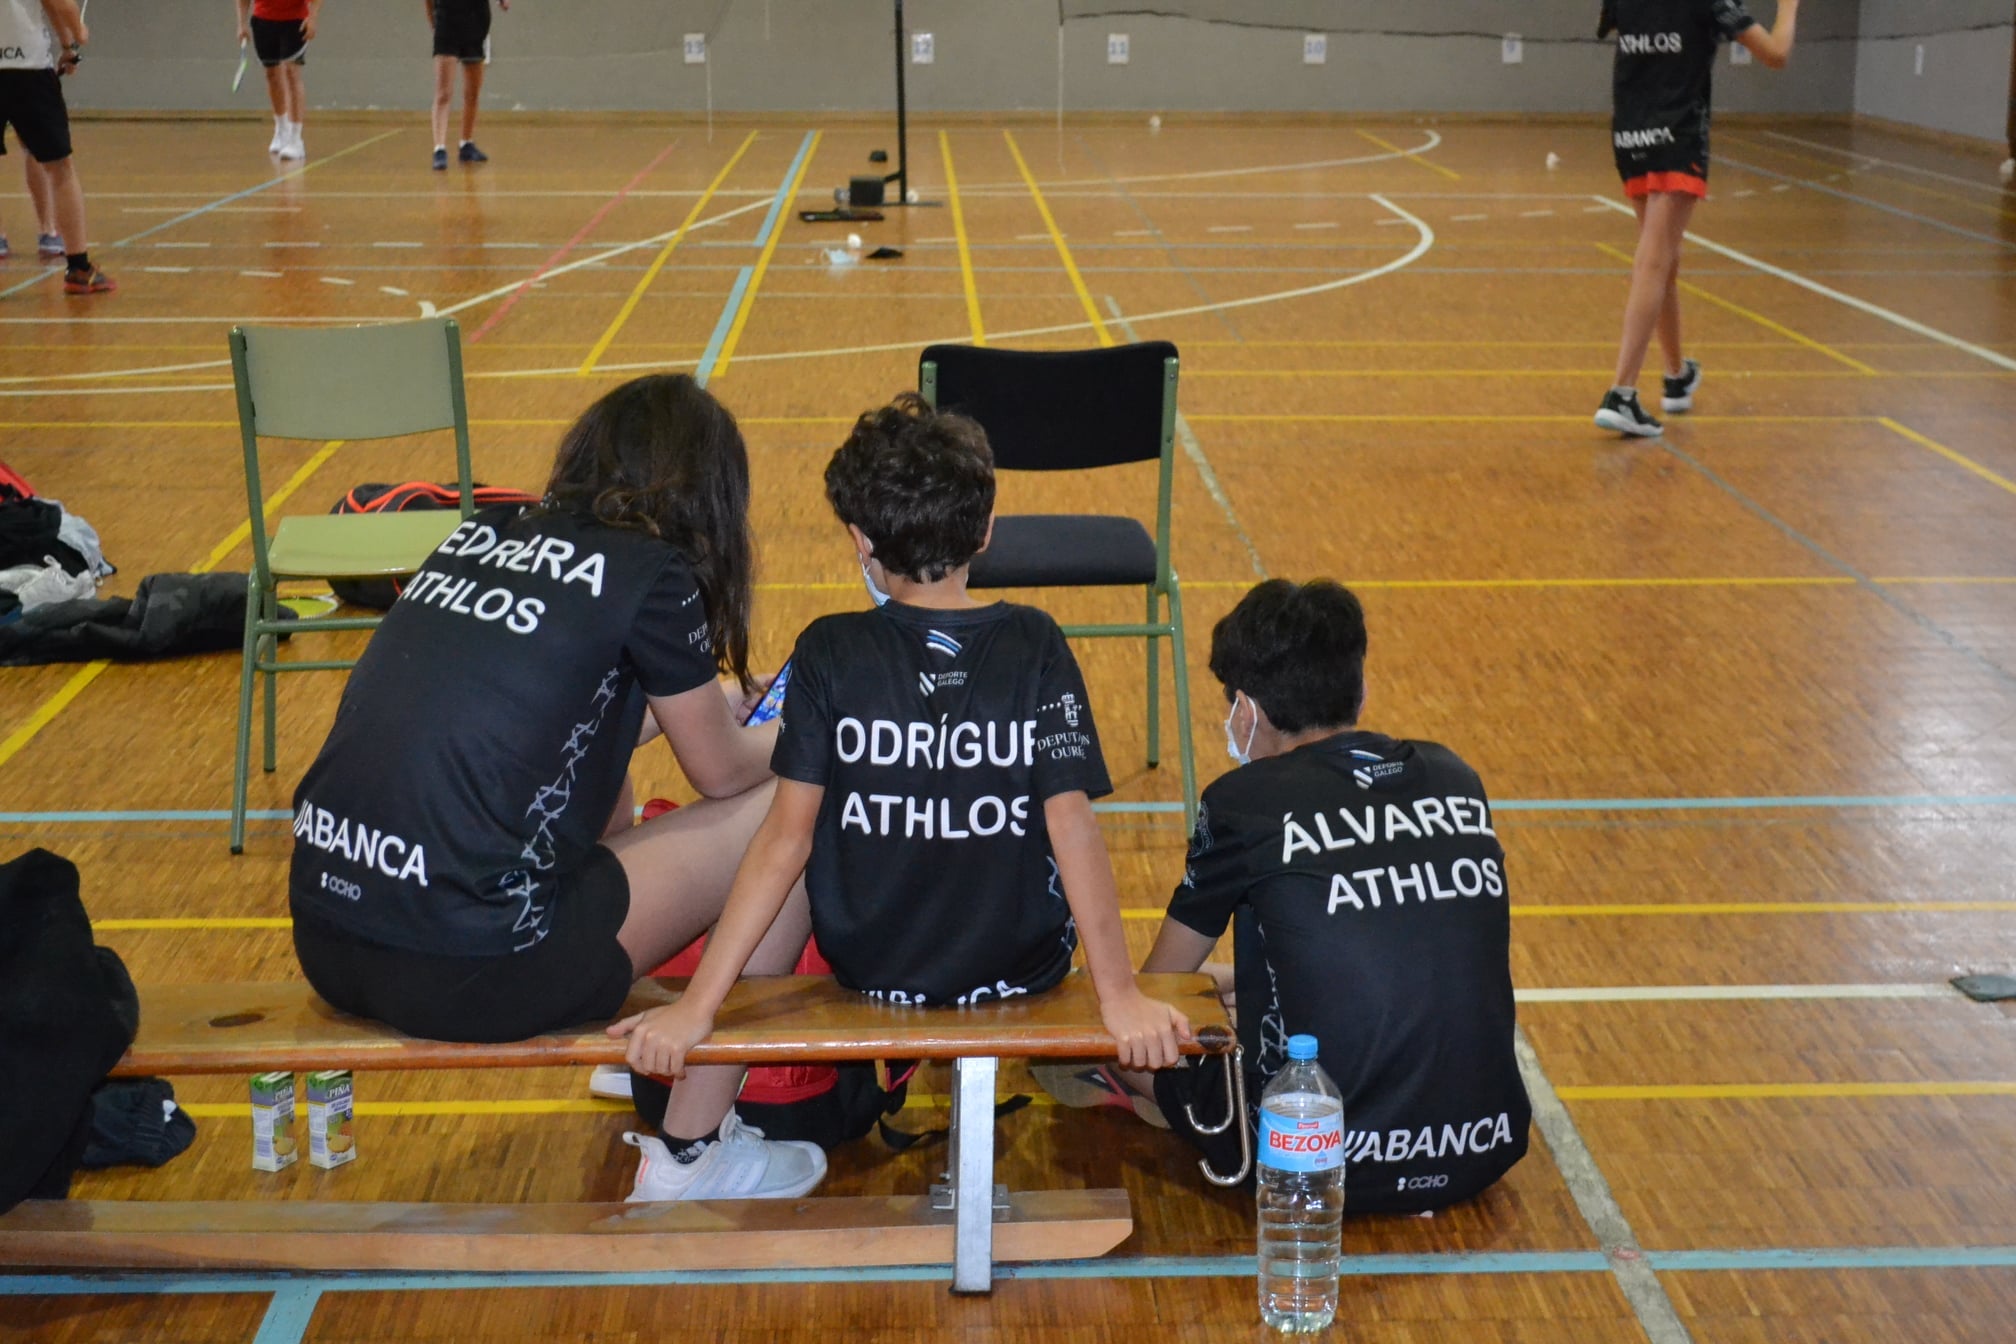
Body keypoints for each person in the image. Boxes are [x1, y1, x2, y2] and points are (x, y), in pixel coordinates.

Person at [607, 396, 1193, 1195]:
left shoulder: (830, 648)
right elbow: (1073, 829)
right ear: (985, 533)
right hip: (1020, 963)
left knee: (798, 840)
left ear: (861, 540)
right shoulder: (1037, 642)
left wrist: (697, 1007)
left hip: (875, 964)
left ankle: (686, 1150)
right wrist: (1117, 993)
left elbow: (783, 843)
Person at [289, 373, 827, 1200]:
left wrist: (708, 707)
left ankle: (627, 1038)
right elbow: (720, 770)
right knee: (798, 799)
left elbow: (544, 724)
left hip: (329, 933)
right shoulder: (654, 575)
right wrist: (815, 725)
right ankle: (694, 1153)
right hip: (470, 973)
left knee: (659, 777)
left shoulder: (484, 532)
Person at [1049, 579, 1531, 1216]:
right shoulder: (1454, 775)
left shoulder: (1244, 803)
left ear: (1245, 712)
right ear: (1358, 690)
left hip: (1315, 1166)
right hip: (1485, 1147)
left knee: (1099, 1020)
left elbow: (1160, 983)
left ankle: (1137, 1096)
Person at [1594, 0, 1799, 437]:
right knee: (1654, 259)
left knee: (1663, 256)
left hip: (1631, 132)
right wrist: (1789, 7)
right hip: (1677, 134)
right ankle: (1622, 393)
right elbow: (1776, 54)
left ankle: (1676, 375)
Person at [0, 0, 112, 293]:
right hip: (26, 70)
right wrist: (78, 32)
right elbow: (57, 2)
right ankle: (78, 268)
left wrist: (66, 45)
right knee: (59, 167)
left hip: (25, 66)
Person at [425, 0, 506, 171]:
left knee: (472, 92)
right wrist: (433, 20)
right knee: (443, 93)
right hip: (447, 24)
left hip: (476, 24)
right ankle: (439, 149)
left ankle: (466, 144)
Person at [235, 0, 319, 161]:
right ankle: (281, 130)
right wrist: (241, 24)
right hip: (263, 21)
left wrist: (312, 17)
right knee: (271, 74)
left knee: (291, 72)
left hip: (295, 21)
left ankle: (296, 139)